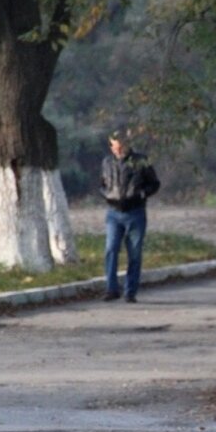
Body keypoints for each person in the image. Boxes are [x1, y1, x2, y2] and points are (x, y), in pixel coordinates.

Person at [98, 129, 160, 303]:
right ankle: (111, 289)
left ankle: (130, 291)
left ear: (127, 144)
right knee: (111, 249)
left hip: (135, 212)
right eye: (114, 148)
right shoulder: (107, 162)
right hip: (113, 213)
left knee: (134, 253)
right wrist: (107, 195)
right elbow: (102, 184)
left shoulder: (141, 161)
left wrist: (141, 194)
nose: (117, 151)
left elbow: (154, 184)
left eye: (120, 147)